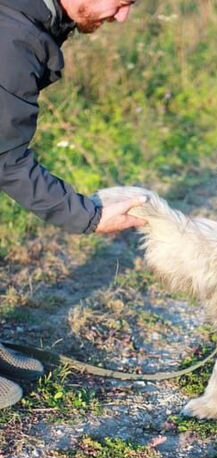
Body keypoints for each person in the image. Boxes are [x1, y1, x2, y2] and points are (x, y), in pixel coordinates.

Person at [0, 0, 146, 409]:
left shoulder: (34, 15)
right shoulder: (11, 36)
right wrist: (90, 216)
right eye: (120, 3)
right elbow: (5, 159)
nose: (122, 17)